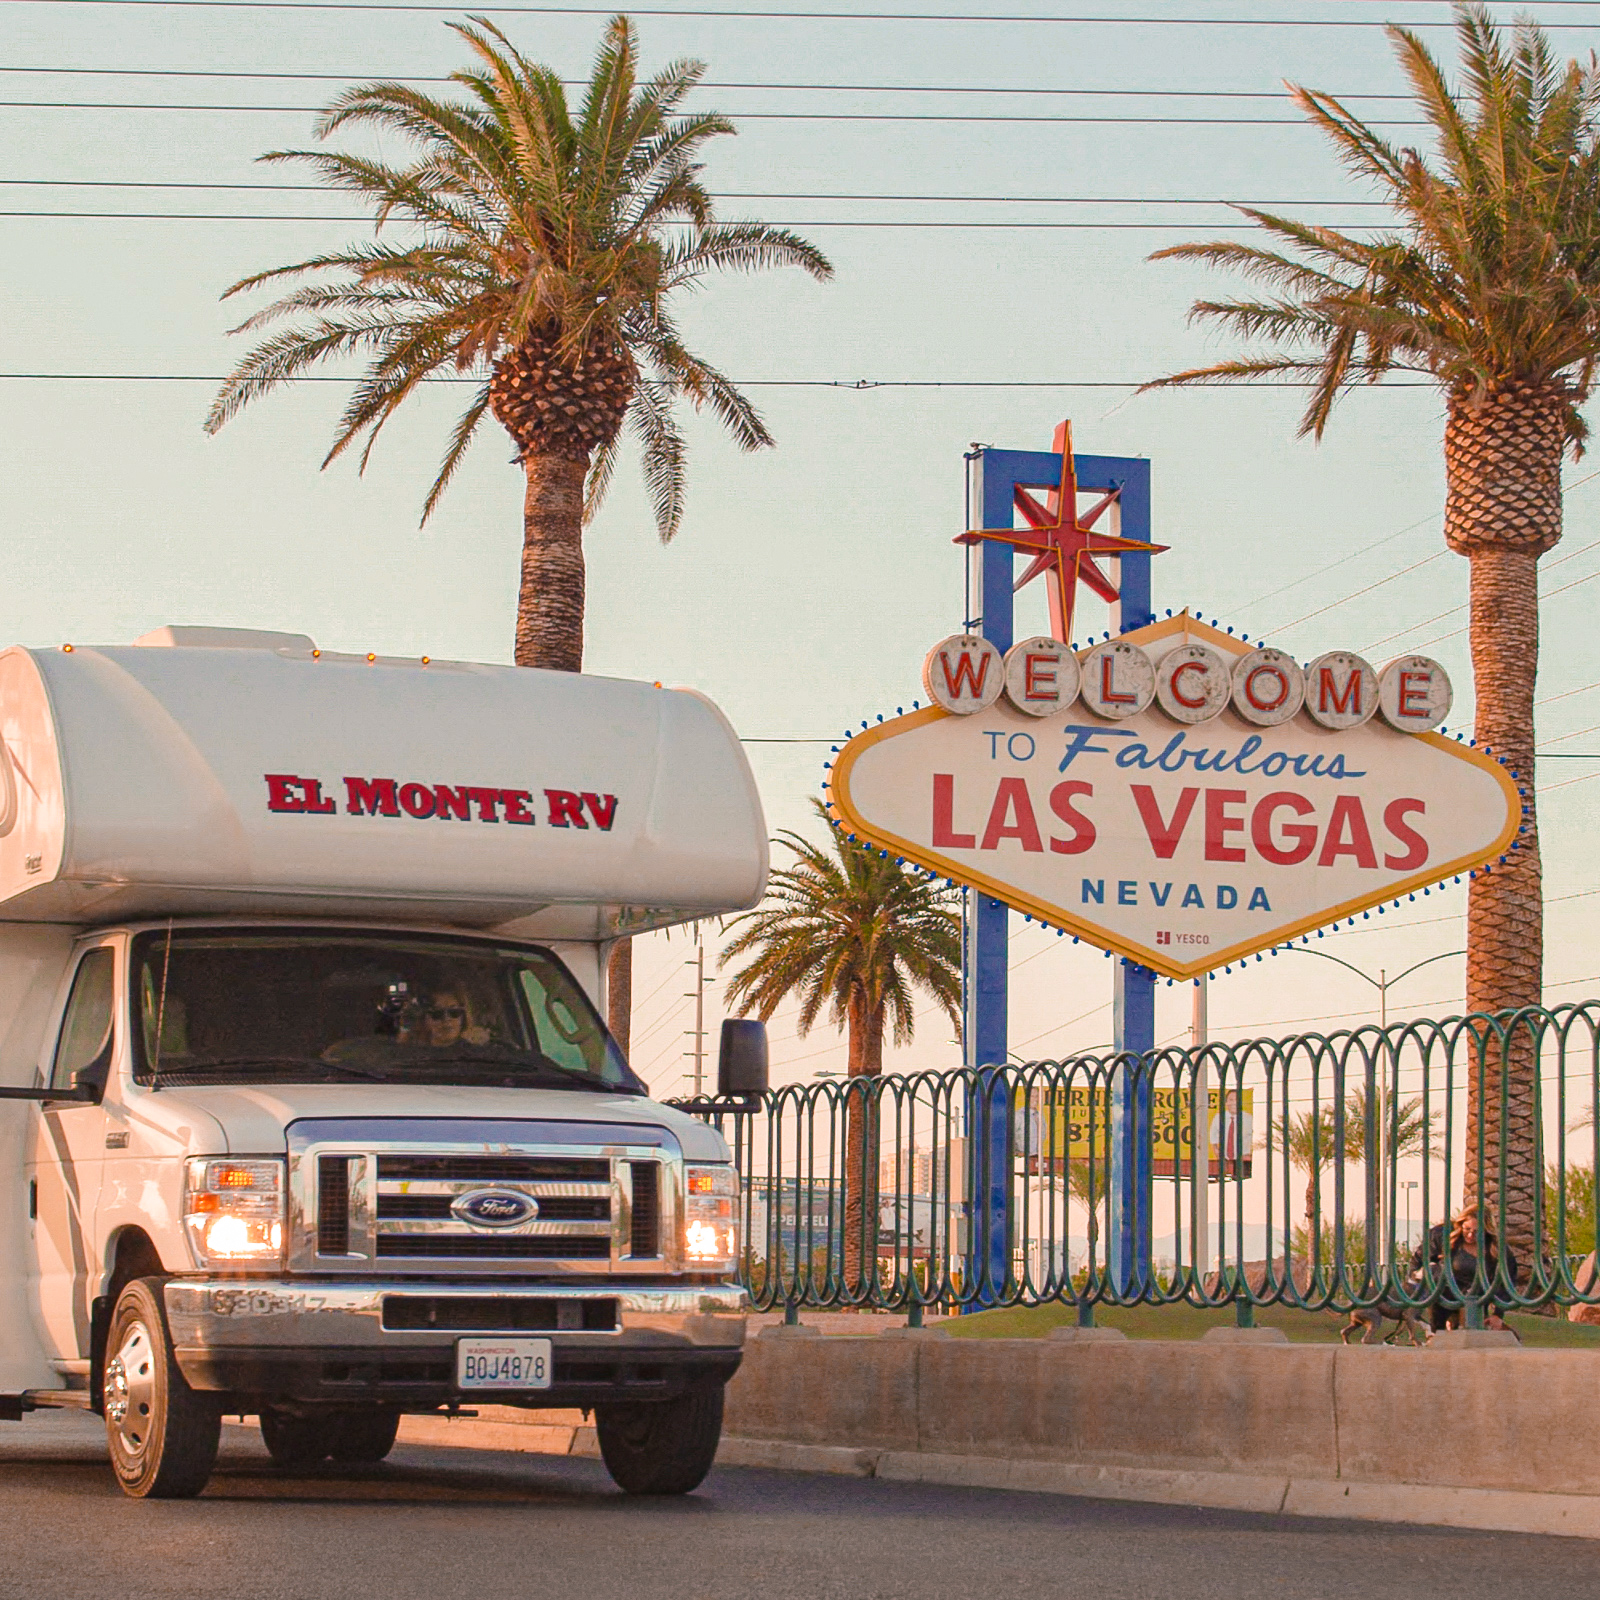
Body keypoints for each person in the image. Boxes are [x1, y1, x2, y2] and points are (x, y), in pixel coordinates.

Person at [1409, 1206, 1520, 1336]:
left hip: (1475, 1297)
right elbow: (1418, 1260)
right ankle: (1438, 1332)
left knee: (1473, 1335)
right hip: (1444, 1294)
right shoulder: (1443, 1236)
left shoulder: (1497, 1250)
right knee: (1440, 1333)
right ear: (1460, 1225)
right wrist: (1415, 1278)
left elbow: (1507, 1282)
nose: (1470, 1235)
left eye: (1477, 1231)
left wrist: (1498, 1314)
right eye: (1467, 1229)